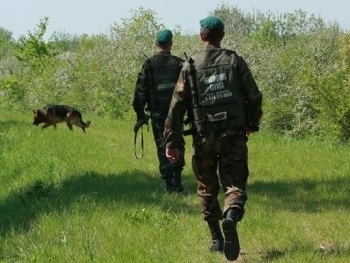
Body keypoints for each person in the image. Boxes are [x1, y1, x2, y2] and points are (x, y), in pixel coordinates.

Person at [163, 17, 263, 261]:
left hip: (203, 137)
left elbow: (176, 106)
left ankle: (217, 239)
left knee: (207, 187)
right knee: (235, 184)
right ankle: (231, 216)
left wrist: (172, 142)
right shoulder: (234, 61)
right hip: (233, 135)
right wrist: (251, 123)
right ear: (223, 35)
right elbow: (255, 96)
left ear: (201, 36)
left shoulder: (190, 66)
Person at [132, 29, 185, 194]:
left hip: (157, 116)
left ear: (156, 44)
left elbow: (139, 94)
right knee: (177, 144)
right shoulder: (180, 64)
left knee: (163, 148)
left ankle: (170, 185)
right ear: (171, 44)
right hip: (176, 116)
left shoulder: (148, 66)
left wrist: (140, 116)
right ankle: (177, 182)